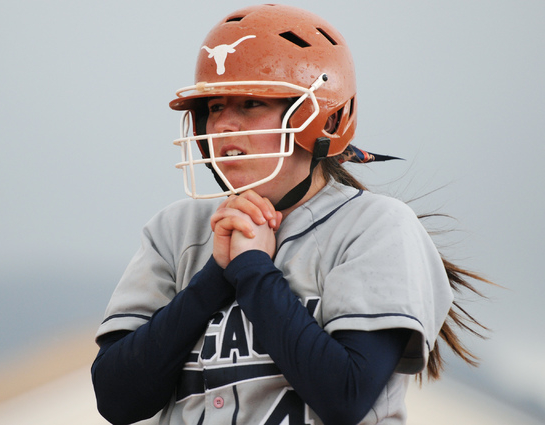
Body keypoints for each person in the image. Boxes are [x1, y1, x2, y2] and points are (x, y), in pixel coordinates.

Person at [92, 4, 489, 425]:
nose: (222, 125)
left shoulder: (375, 227)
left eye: (249, 103)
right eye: (213, 106)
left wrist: (252, 270)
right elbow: (117, 400)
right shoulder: (174, 232)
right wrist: (213, 277)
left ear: (322, 117)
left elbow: (345, 396)